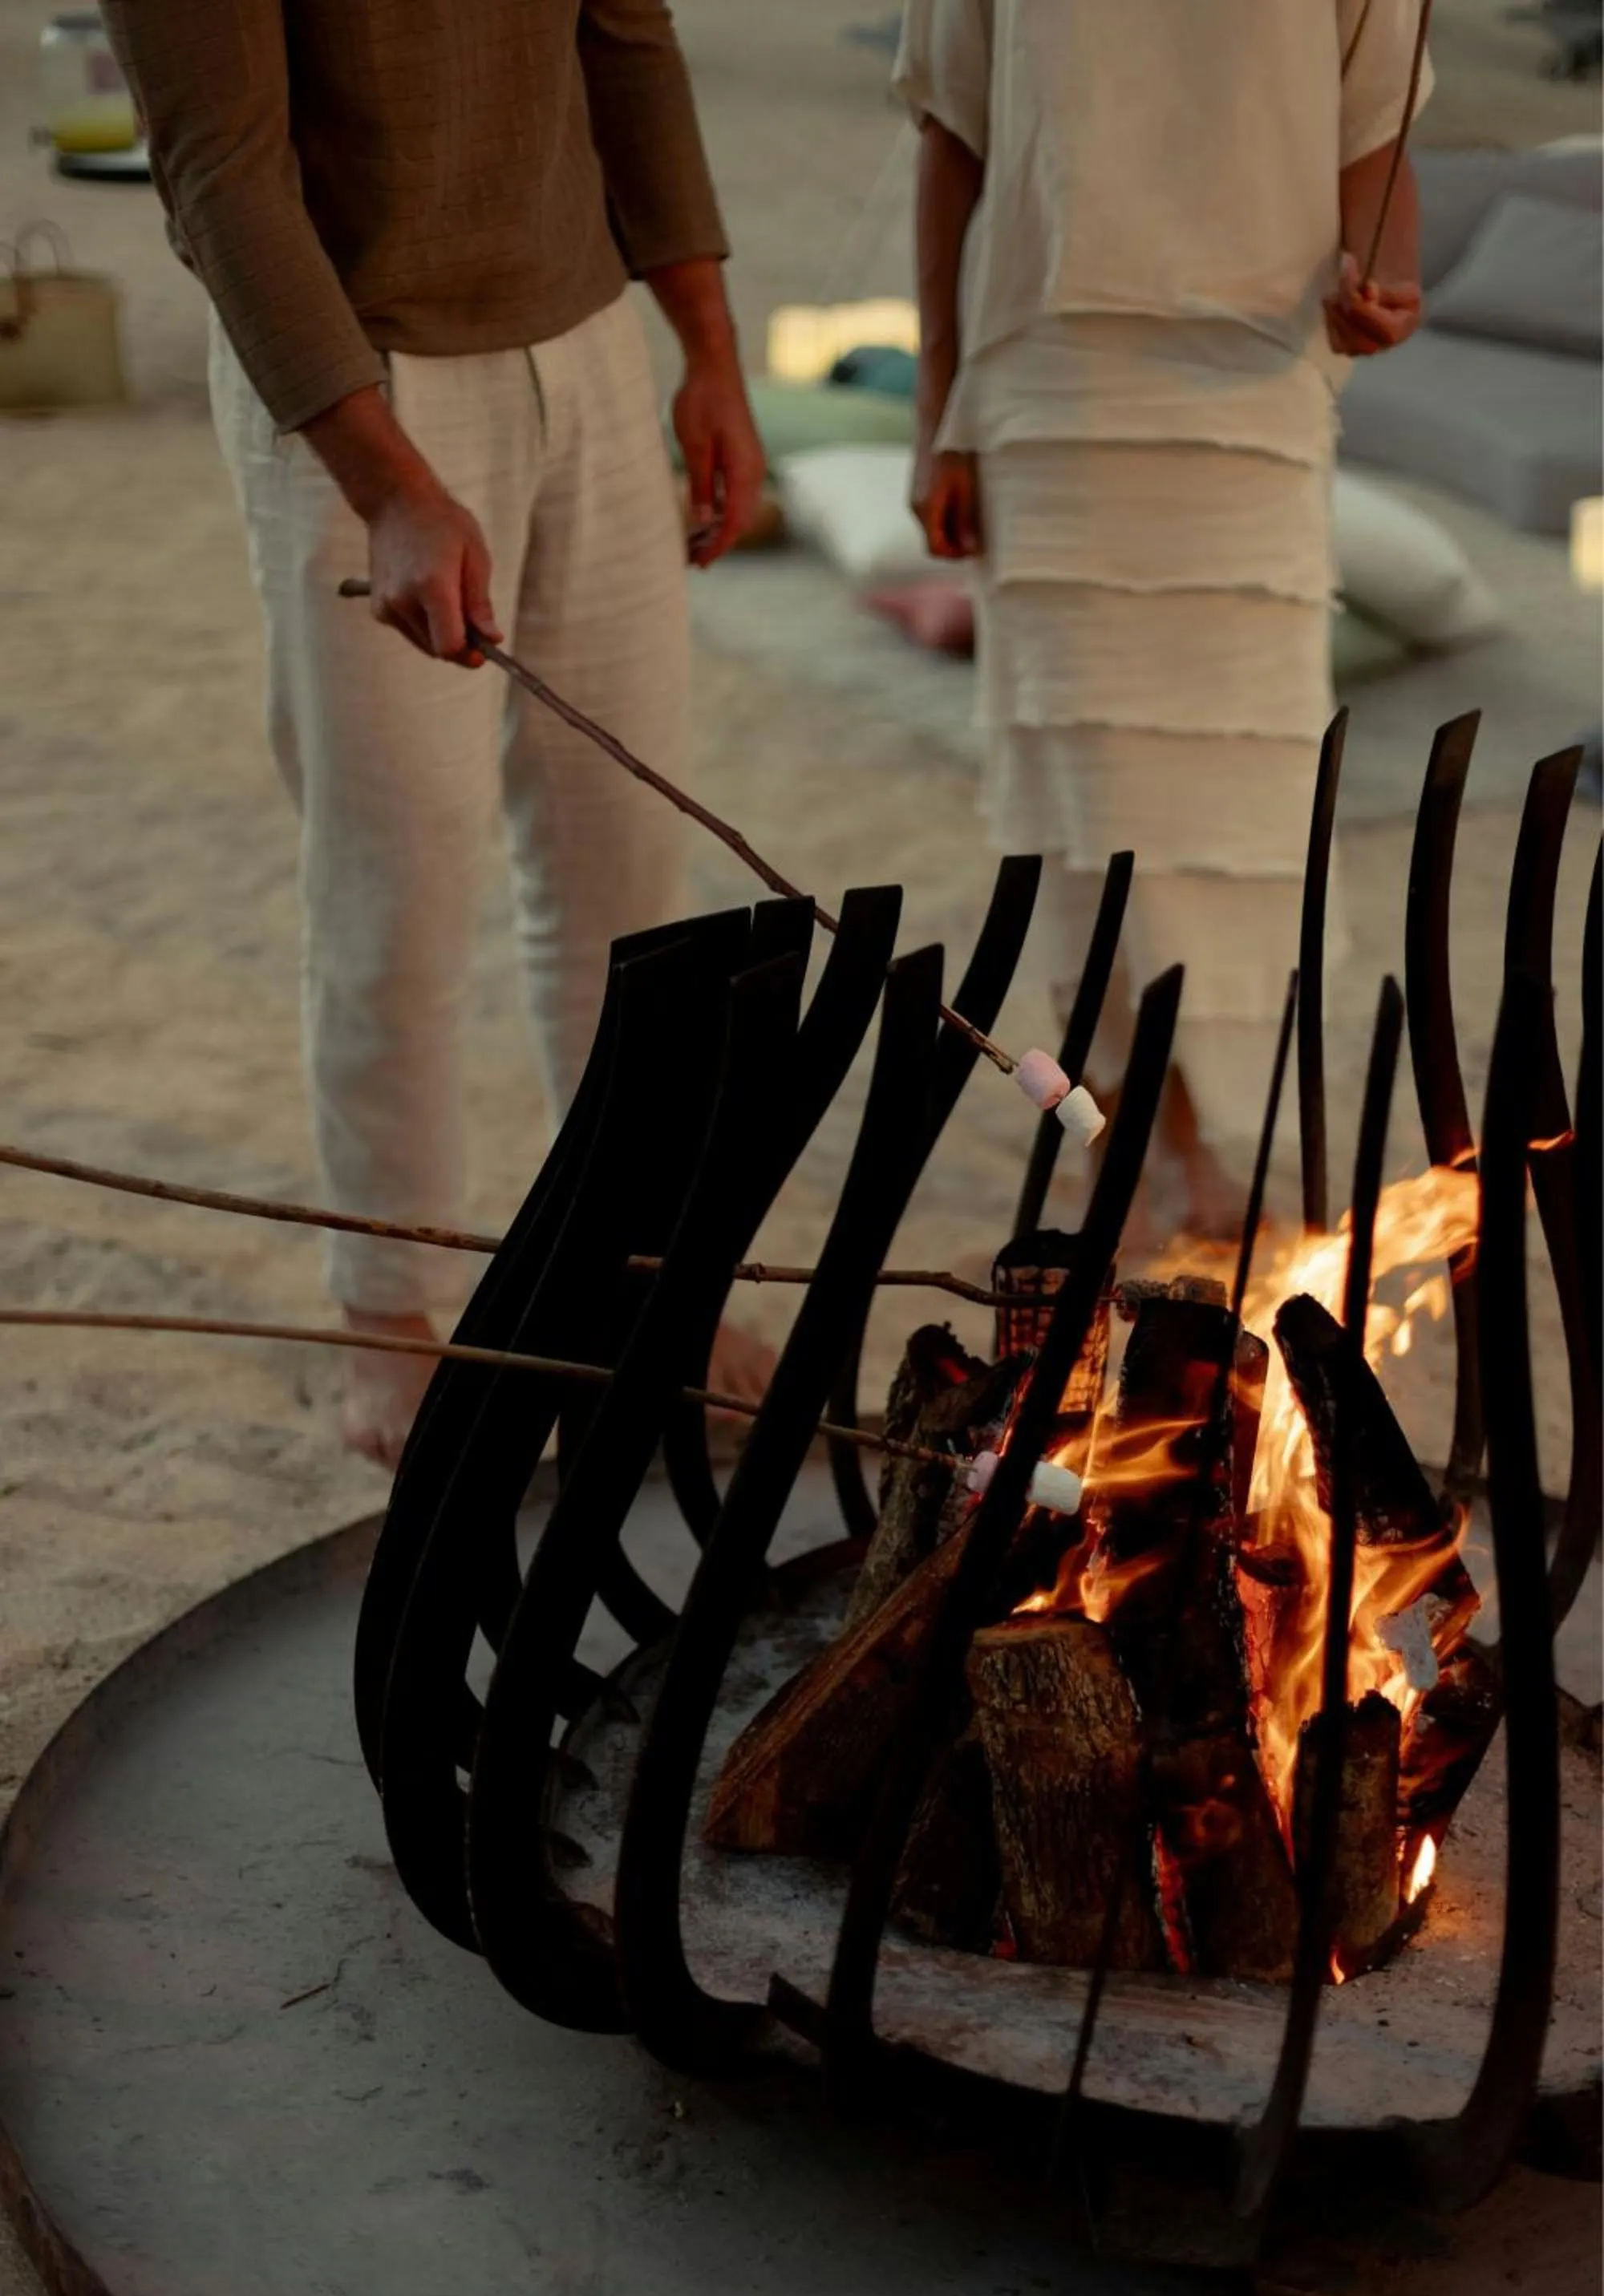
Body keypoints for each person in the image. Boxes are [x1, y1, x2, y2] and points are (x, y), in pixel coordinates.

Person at [100, 0, 770, 1467]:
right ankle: (389, 1312)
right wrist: (389, 482)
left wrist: (705, 347)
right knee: (399, 888)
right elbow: (220, 170)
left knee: (624, 872)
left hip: (588, 342)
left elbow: (628, 40)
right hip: (358, 371)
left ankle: (633, 1273)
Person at [897, 0, 1431, 1235]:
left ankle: (1203, 1123)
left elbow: (1378, 133)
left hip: (1256, 375)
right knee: (1090, 787)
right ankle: (1132, 1126)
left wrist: (1386, 277)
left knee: (1234, 792)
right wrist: (939, 405)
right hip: (1052, 370)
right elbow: (955, 132)